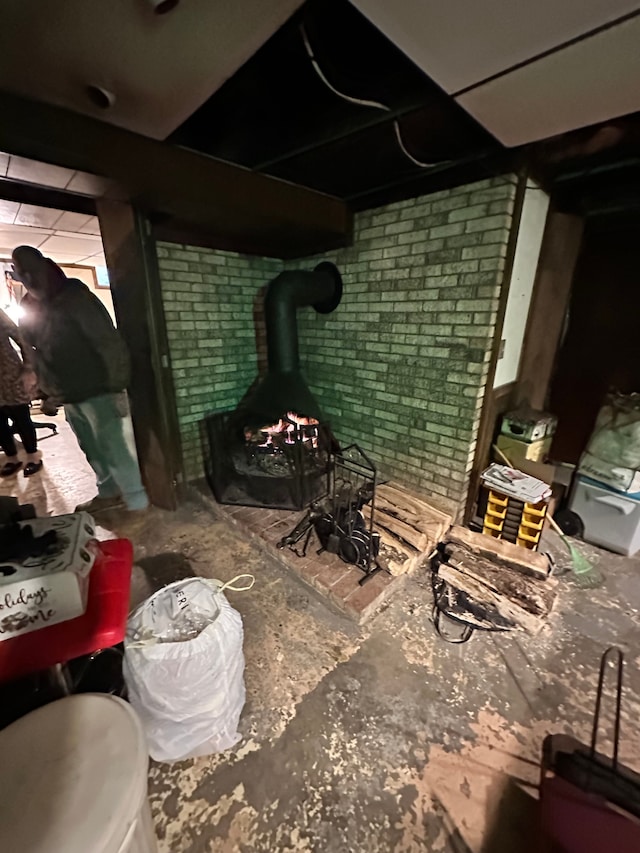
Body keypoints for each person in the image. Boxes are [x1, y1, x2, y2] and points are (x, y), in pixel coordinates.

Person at [11, 246, 149, 514]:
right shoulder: (29, 304)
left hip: (101, 388)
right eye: (22, 273)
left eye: (31, 271)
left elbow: (107, 342)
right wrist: (44, 388)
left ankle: (137, 503)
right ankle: (108, 492)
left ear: (43, 266)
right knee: (92, 449)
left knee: (118, 449)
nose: (28, 278)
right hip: (69, 393)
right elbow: (34, 348)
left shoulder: (74, 296)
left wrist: (118, 384)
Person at [0, 306, 42, 477]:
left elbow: (20, 338)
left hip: (11, 374)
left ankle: (33, 457)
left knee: (21, 417)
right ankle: (12, 458)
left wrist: (28, 366)